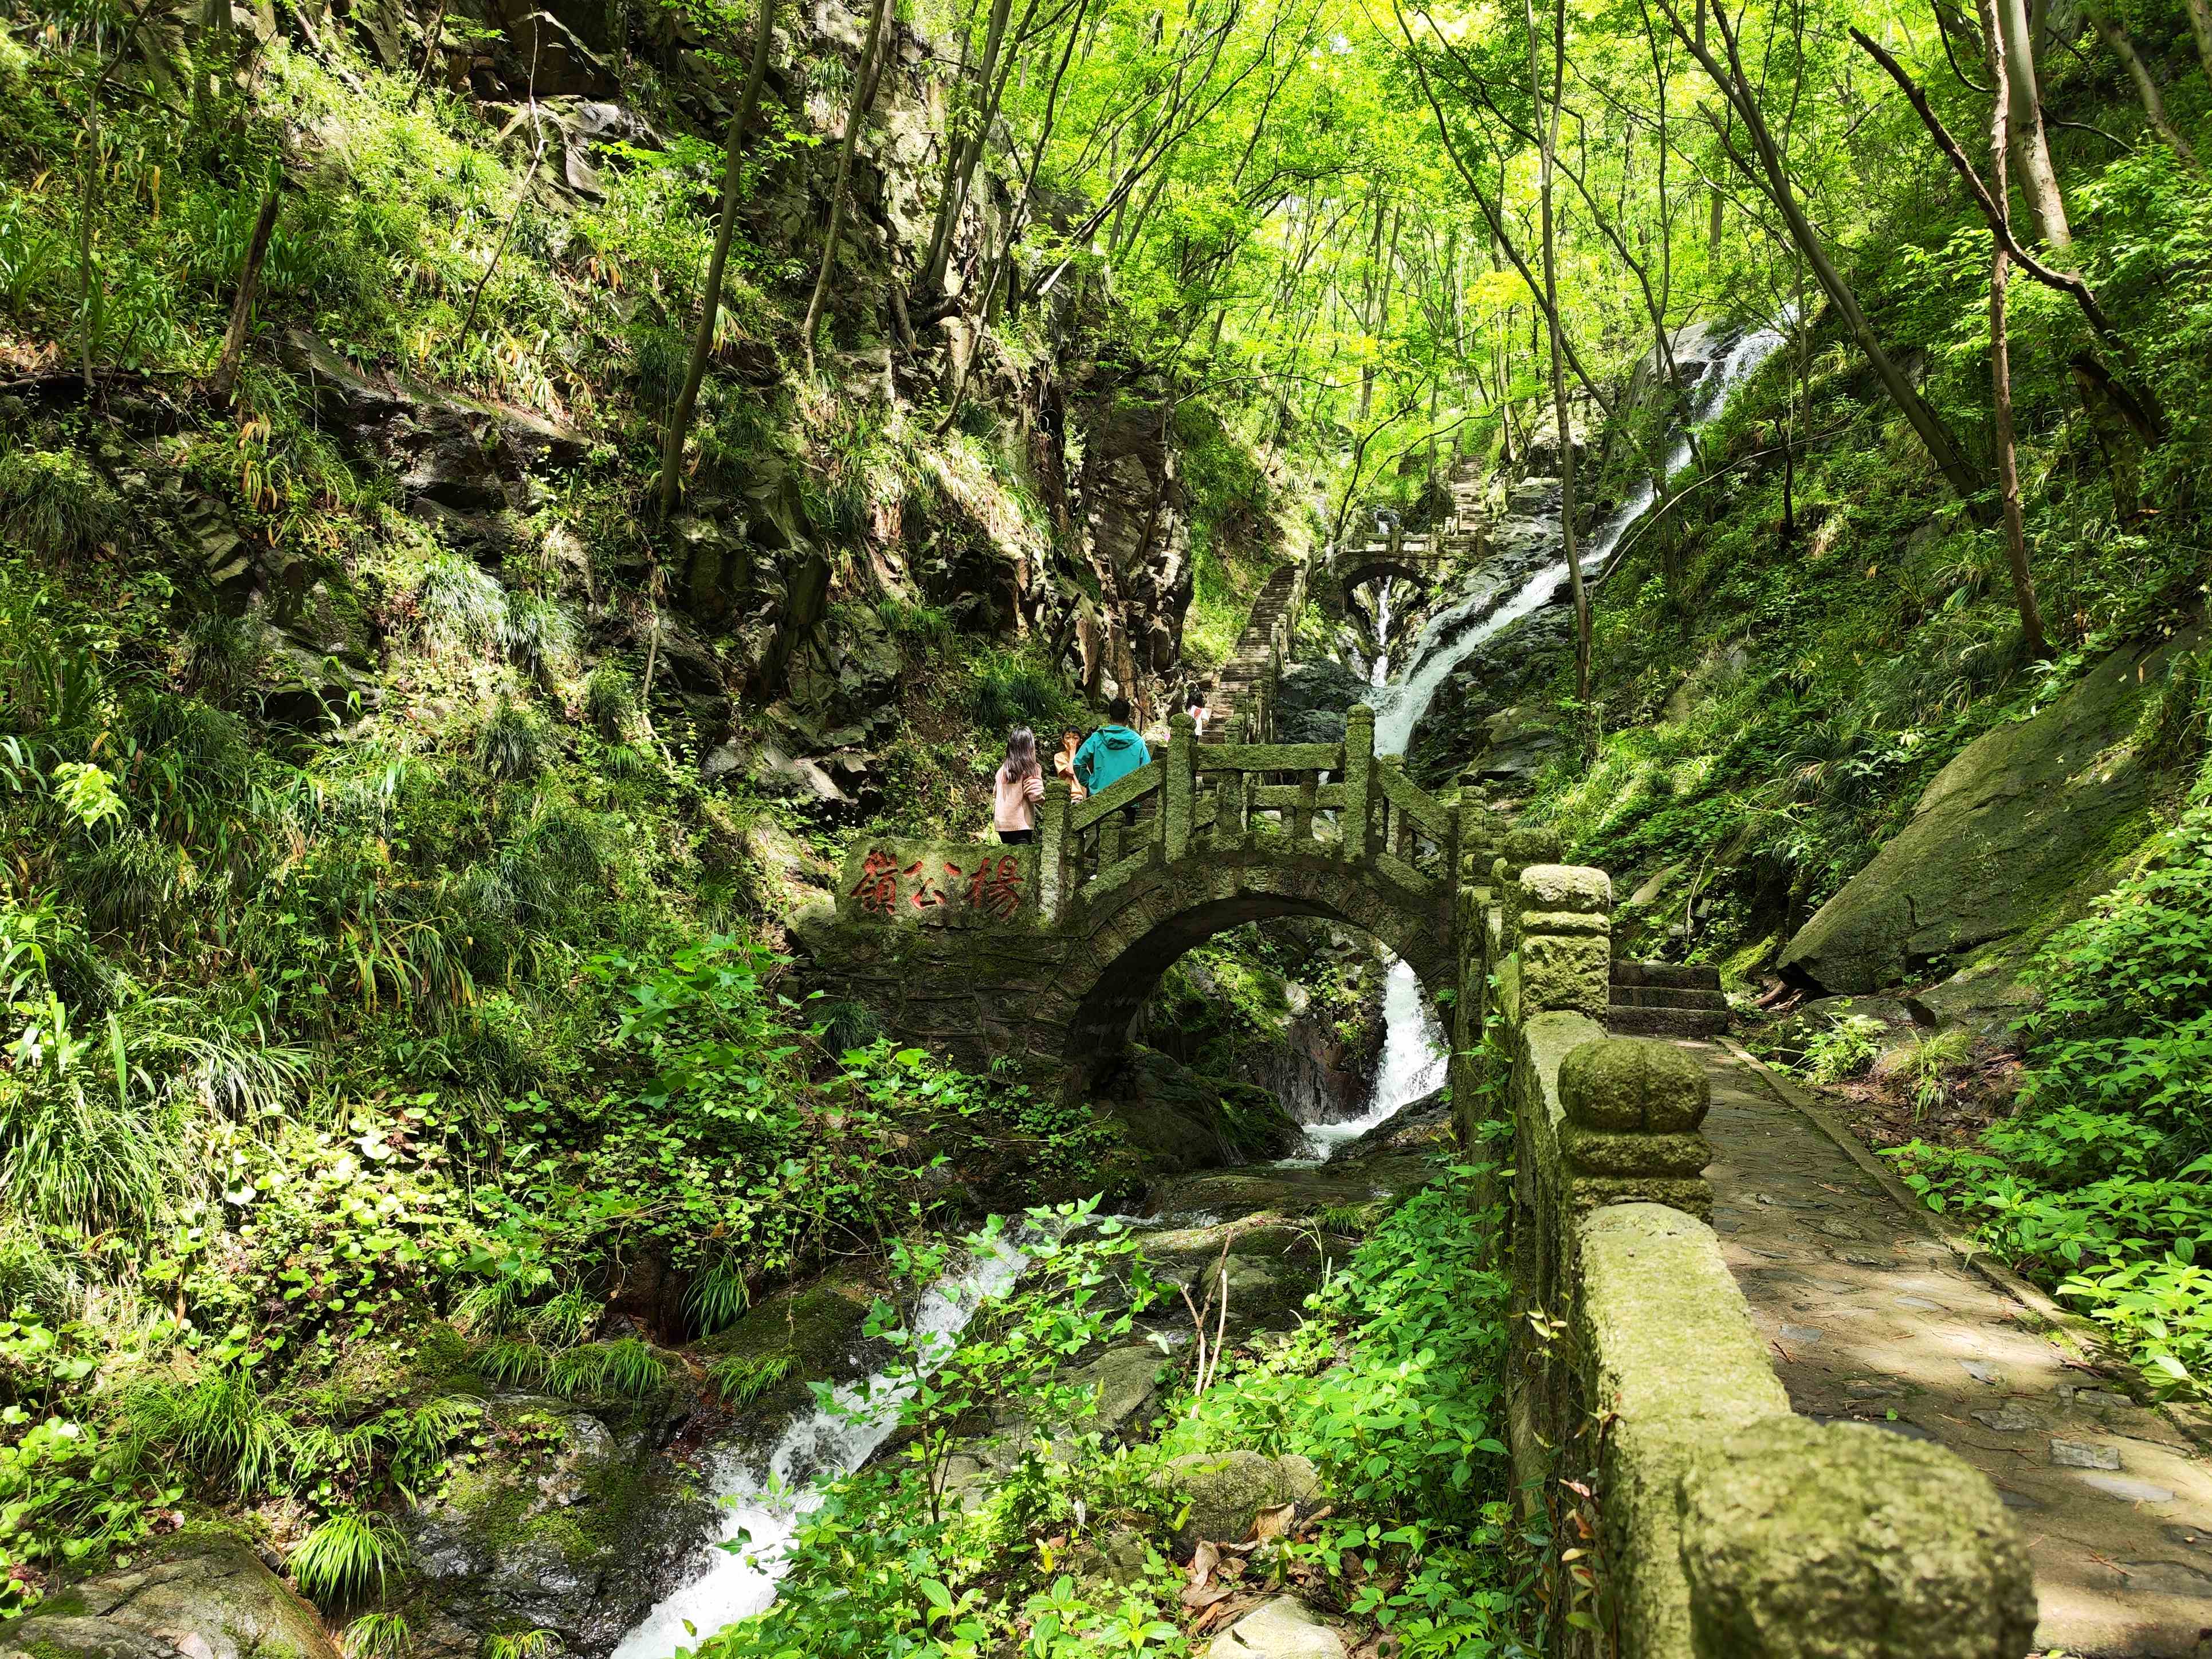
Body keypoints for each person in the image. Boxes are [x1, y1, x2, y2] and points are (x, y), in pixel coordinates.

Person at [1073, 696, 1150, 795]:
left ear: (1110, 718)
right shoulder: (1138, 741)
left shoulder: (1097, 738)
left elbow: (1078, 763)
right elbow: (1147, 770)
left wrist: (1090, 784)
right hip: (1130, 797)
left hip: (1099, 795)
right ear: (1127, 719)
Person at [992, 727, 1044, 844]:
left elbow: (995, 793)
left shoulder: (1003, 770)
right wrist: (1047, 803)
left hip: (1002, 825)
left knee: (1008, 853)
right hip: (1021, 825)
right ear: (1029, 746)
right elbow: (1035, 794)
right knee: (1022, 853)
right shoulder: (1030, 768)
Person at [1052, 728, 1087, 801]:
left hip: (1081, 798)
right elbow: (1071, 772)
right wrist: (1072, 751)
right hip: (1069, 796)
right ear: (1063, 741)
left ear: (1080, 742)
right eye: (1068, 738)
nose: (1071, 741)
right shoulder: (1059, 756)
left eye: (1075, 738)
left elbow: (1085, 783)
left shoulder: (1082, 758)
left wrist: (1085, 799)